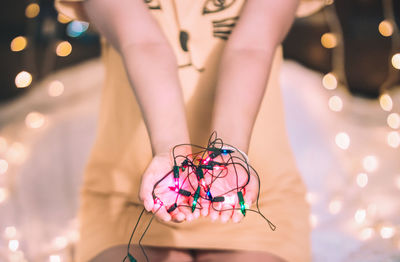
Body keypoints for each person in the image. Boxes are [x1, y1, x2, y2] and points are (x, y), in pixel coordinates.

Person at [55, 0, 324, 261]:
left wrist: (228, 156)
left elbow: (252, 47)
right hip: (129, 199)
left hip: (251, 198)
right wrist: (172, 154)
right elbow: (142, 43)